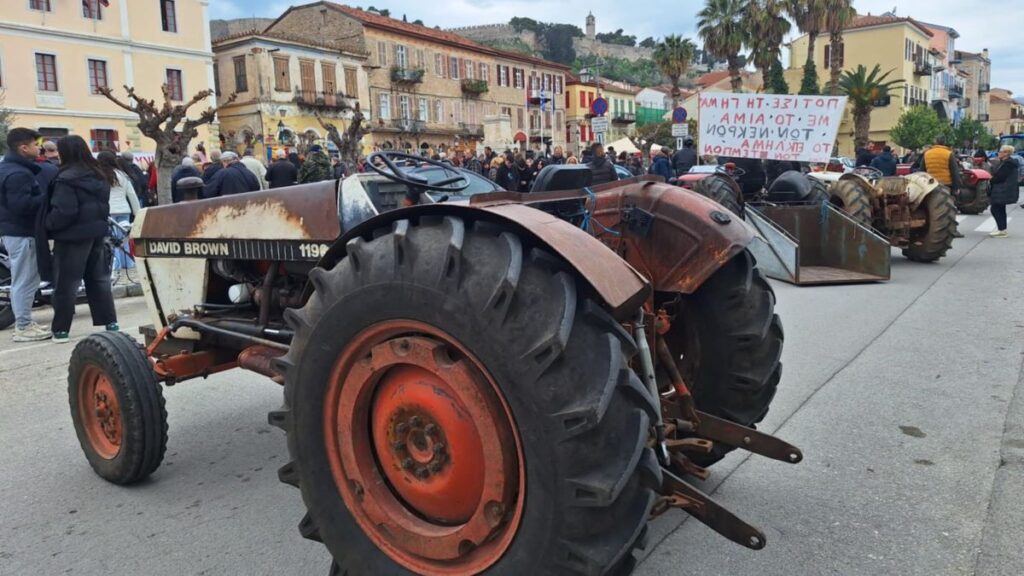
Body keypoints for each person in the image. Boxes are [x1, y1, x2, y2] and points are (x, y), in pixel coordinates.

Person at [43, 135, 119, 342]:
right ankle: (110, 322)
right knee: (99, 279)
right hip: (97, 232)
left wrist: (47, 224)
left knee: (66, 283)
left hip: (72, 237)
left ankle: (61, 330)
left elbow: (64, 212)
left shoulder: (65, 178)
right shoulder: (100, 175)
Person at [0, 128, 52, 341]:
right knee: (25, 279)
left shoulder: (8, 168)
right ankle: (22, 326)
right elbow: (21, 206)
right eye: (34, 144)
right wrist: (47, 198)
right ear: (23, 148)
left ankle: (26, 321)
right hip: (21, 232)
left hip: (14, 231)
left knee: (25, 278)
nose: (38, 147)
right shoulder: (19, 174)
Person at [97, 151, 140, 279]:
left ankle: (116, 265)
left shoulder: (99, 175)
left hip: (108, 211)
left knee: (112, 240)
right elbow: (131, 195)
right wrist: (137, 212)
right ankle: (129, 263)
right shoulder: (122, 175)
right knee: (124, 238)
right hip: (124, 210)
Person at [988, 145, 1019, 238]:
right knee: (1000, 209)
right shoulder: (1006, 162)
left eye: (1001, 151)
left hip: (1003, 190)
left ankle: (1002, 230)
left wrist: (991, 179)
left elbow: (1000, 177)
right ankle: (1002, 230)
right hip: (1003, 189)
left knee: (995, 209)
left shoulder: (1008, 164)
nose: (999, 153)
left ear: (1006, 153)